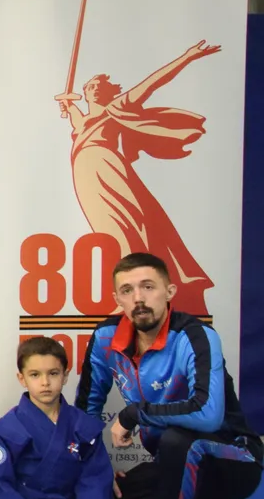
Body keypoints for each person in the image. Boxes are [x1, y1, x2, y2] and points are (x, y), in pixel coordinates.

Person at [77, 252, 262, 499]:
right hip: (173, 465)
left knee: (180, 440)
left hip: (236, 460)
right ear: (117, 298)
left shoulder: (196, 335)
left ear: (169, 291)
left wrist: (134, 414)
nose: (139, 298)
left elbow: (207, 414)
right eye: (127, 290)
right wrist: (95, 468)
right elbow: (86, 409)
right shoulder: (105, 338)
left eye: (148, 287)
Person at [55, 41, 221, 312]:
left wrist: (187, 57)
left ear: (107, 92)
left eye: (97, 85)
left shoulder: (118, 106)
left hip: (107, 168)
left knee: (126, 225)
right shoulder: (82, 121)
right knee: (105, 228)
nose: (92, 88)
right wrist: (66, 104)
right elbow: (74, 115)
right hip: (85, 174)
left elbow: (152, 82)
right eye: (89, 86)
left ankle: (136, 293)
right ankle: (127, 292)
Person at [0, 337, 112, 499]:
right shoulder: (8, 428)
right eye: (35, 375)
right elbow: (1, 485)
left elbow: (94, 477)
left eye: (53, 373)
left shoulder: (82, 425)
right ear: (21, 378)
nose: (45, 383)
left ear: (65, 376)